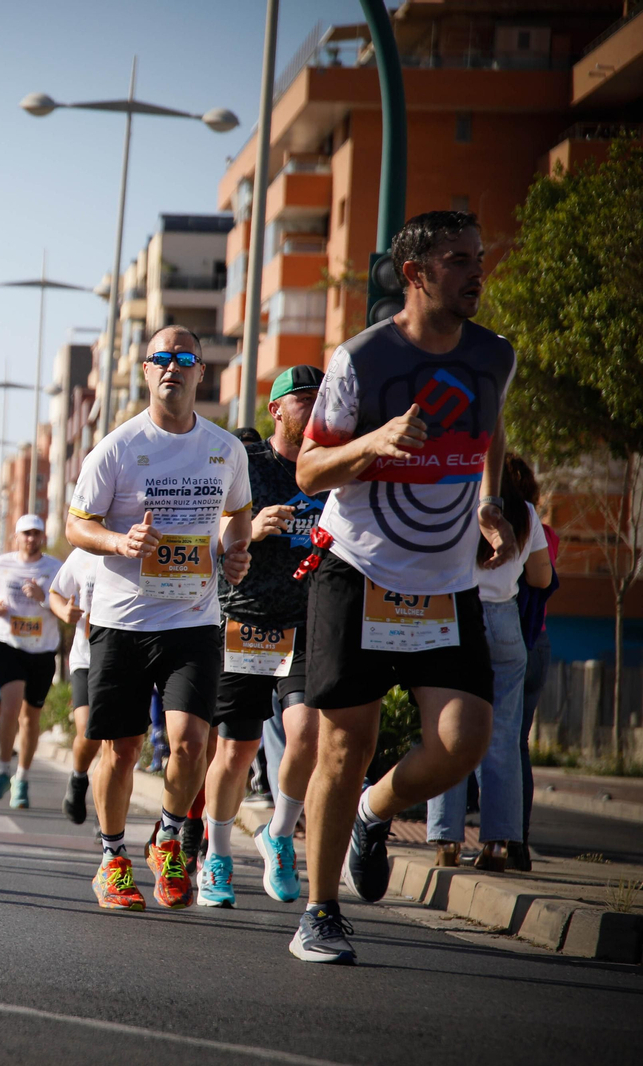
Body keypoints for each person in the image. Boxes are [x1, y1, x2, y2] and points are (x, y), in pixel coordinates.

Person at [291, 210, 517, 964]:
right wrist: (374, 441)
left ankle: (373, 811)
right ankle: (319, 912)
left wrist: (490, 506)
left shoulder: (494, 355)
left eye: (478, 257)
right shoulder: (363, 360)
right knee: (343, 744)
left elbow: (490, 432)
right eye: (458, 259)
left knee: (463, 742)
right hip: (356, 569)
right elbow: (309, 471)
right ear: (415, 274)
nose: (475, 271)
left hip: (446, 581)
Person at [65, 326, 253, 912]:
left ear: (202, 373)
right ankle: (112, 858)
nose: (172, 367)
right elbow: (77, 525)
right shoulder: (116, 448)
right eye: (161, 359)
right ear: (146, 371)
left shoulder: (226, 449)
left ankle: (169, 840)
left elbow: (238, 512)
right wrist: (121, 543)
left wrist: (236, 550)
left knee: (192, 743)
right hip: (122, 621)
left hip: (193, 620)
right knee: (120, 751)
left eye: (184, 359)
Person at [203, 365, 328, 908]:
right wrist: (249, 530)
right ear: (277, 410)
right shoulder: (246, 464)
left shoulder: (334, 468)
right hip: (245, 619)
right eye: (305, 400)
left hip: (306, 623)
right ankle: (218, 855)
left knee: (307, 735)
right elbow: (205, 529)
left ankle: (279, 835)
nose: (316, 409)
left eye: (323, 399)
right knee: (237, 749)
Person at [425, 456, 551, 869]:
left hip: (456, 618)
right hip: (506, 621)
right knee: (503, 736)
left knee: (447, 731)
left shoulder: (456, 502)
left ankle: (447, 842)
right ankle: (497, 845)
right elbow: (541, 579)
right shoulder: (527, 513)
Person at [0, 513, 62, 810]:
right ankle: (3, 770)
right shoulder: (2, 562)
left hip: (41, 649)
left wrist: (43, 598)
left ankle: (22, 778)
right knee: (9, 706)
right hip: (8, 643)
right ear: (16, 537)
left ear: (43, 537)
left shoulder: (55, 568)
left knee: (31, 718)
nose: (30, 538)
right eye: (25, 533)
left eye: (35, 534)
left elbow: (66, 604)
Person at [511, 457, 557, 872]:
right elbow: (543, 580)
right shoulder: (545, 532)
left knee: (473, 739)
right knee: (516, 742)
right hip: (536, 640)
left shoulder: (483, 519)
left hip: (503, 631)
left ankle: (450, 838)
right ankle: (516, 841)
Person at [48, 547, 98, 824]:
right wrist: (64, 611)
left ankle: (108, 824)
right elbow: (55, 593)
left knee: (119, 746)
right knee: (89, 730)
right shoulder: (83, 554)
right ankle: (79, 778)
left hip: (126, 660)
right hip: (87, 658)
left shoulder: (141, 547)